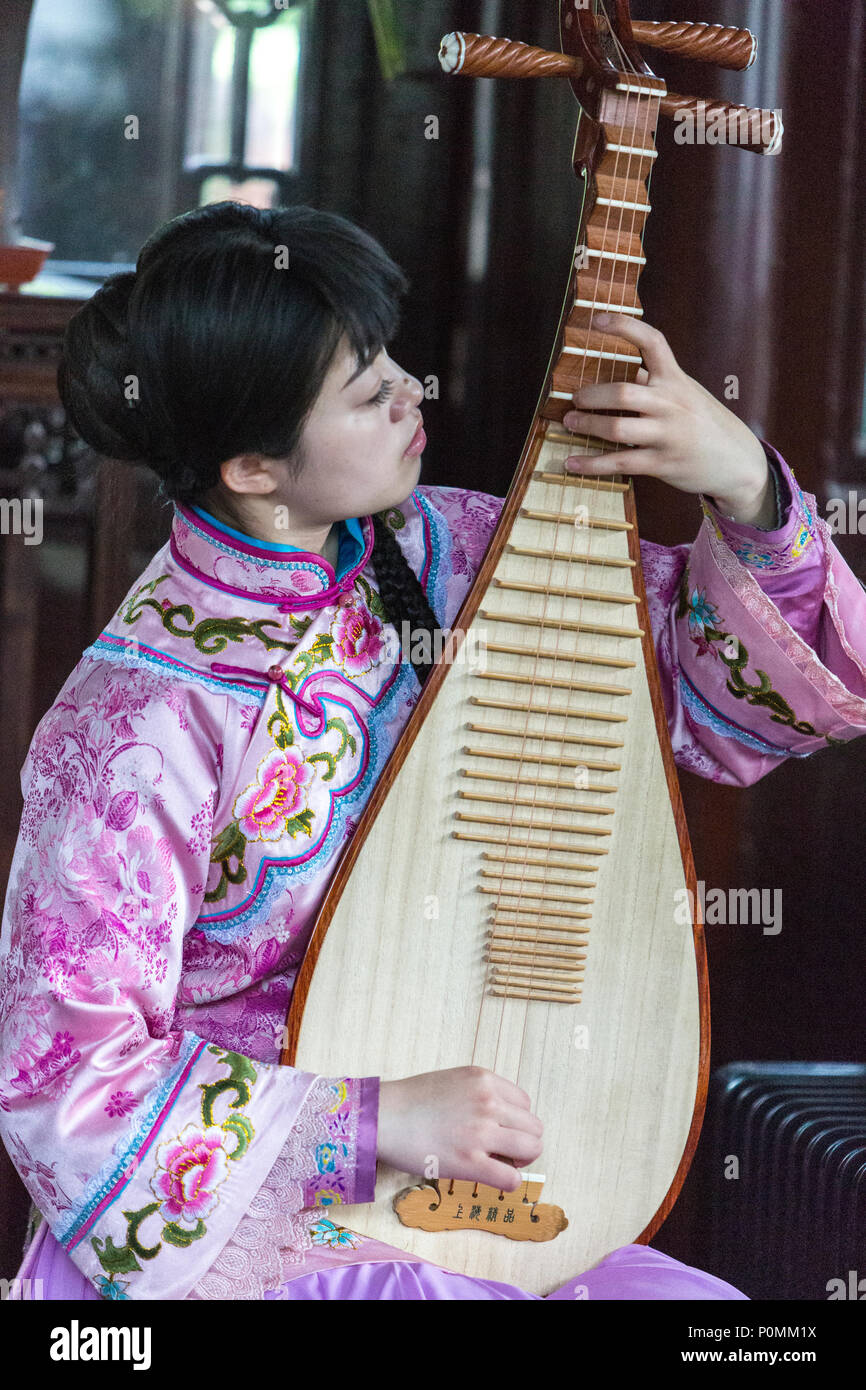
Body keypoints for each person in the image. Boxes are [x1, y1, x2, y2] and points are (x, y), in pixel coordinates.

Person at [2, 202, 865, 1303]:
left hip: (486, 1193)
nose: (413, 392)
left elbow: (717, 699)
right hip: (247, 1230)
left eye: (394, 363)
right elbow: (62, 1078)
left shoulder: (450, 550)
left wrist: (741, 482)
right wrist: (378, 1119)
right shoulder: (135, 722)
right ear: (254, 467)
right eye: (368, 392)